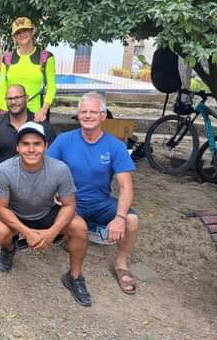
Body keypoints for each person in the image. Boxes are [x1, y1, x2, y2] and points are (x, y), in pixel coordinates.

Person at [0, 122, 92, 307]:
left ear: (46, 146)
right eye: (25, 144)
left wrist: (52, 232)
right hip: (17, 214)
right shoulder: (4, 170)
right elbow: (0, 208)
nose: (31, 149)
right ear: (17, 147)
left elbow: (69, 205)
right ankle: (9, 249)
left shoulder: (60, 169)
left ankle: (74, 276)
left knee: (80, 227)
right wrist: (26, 232)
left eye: (37, 144)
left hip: (46, 212)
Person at [47, 92, 139, 295]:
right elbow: (46, 169)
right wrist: (52, 190)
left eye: (93, 112)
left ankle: (121, 263)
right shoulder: (64, 140)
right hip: (72, 202)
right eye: (84, 111)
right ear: (78, 115)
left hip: (100, 202)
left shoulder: (115, 146)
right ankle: (72, 248)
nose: (87, 116)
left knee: (131, 220)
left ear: (103, 116)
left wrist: (120, 218)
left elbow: (126, 187)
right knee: (76, 231)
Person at [0, 84, 55, 205]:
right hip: (5, 174)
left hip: (34, 174)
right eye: (9, 99)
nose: (13, 102)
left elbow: (52, 155)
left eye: (17, 98)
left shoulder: (41, 124)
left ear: (26, 98)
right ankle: (1, 202)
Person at [0, 17, 56, 122]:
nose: (22, 34)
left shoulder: (45, 57)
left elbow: (51, 87)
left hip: (35, 114)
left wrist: (43, 111)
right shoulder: (7, 58)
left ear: (32, 31)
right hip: (9, 112)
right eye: (18, 32)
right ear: (14, 37)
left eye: (25, 30)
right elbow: (2, 87)